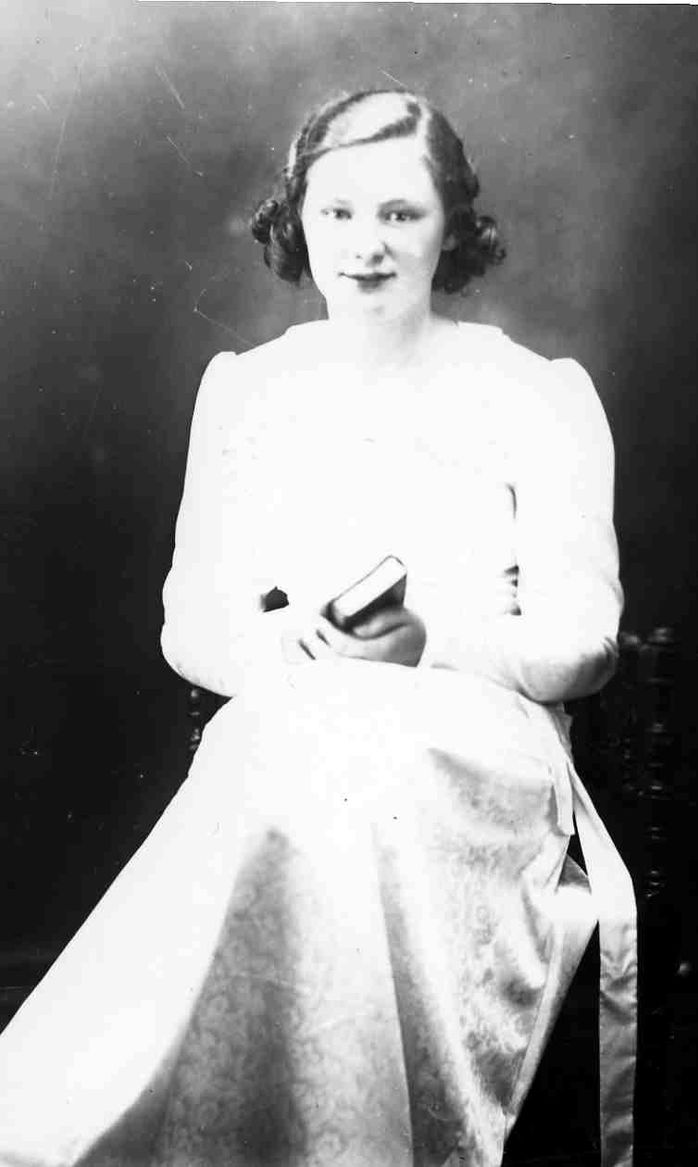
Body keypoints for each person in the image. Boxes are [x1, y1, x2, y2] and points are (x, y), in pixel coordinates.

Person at [0, 89, 636, 1167]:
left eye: (400, 214)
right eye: (336, 213)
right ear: (297, 220)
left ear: (452, 227)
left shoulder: (535, 392)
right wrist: (273, 646)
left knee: (331, 786)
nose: (365, 246)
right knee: (290, 770)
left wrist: (431, 644)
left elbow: (585, 644)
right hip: (293, 718)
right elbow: (190, 622)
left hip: (472, 748)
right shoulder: (248, 389)